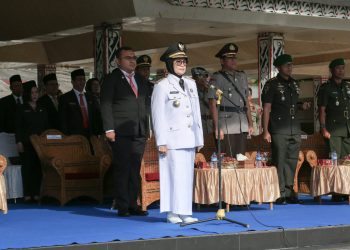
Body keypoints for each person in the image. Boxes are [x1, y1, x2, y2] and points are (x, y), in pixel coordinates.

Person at [152, 42, 204, 224]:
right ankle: (172, 212)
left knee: (186, 176)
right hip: (172, 139)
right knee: (172, 175)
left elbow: (196, 112)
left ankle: (185, 212)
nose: (182, 65)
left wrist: (199, 137)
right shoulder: (162, 86)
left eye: (184, 61)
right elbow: (158, 116)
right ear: (169, 64)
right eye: (178, 62)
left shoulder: (191, 84)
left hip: (189, 138)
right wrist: (161, 141)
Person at [100, 46, 149, 217]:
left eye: (134, 57)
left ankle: (132, 204)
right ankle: (122, 206)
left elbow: (147, 104)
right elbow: (105, 104)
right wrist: (109, 128)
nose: (132, 60)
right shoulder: (111, 79)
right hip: (120, 131)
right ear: (118, 61)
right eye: (128, 57)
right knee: (122, 168)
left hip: (139, 130)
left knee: (135, 168)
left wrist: (148, 128)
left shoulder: (141, 80)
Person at [262, 54, 310, 204]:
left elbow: (293, 105)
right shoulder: (272, 84)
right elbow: (267, 108)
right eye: (286, 65)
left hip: (294, 128)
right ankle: (280, 192)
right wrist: (265, 130)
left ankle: (289, 190)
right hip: (278, 128)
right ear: (278, 67)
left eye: (291, 65)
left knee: (292, 160)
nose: (290, 68)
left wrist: (302, 106)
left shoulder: (295, 84)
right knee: (280, 160)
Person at [208, 43, 253, 158]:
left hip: (242, 124)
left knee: (240, 159)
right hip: (226, 125)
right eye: (230, 58)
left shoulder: (242, 76)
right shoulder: (217, 78)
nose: (234, 61)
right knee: (227, 161)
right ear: (222, 61)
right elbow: (213, 104)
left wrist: (250, 123)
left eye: (235, 58)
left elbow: (246, 101)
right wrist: (217, 127)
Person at [318, 58, 350, 202]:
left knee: (347, 161)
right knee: (335, 162)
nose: (341, 71)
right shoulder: (326, 88)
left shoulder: (347, 86)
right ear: (331, 70)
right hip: (333, 130)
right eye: (338, 68)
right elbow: (322, 110)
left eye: (343, 68)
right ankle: (336, 192)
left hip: (347, 129)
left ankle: (345, 190)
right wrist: (323, 128)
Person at [16, 80, 48, 202]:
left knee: (37, 168)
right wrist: (18, 141)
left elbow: (46, 126)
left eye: (36, 92)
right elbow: (18, 126)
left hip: (40, 144)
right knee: (27, 168)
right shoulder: (21, 108)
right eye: (32, 92)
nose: (34, 95)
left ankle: (36, 193)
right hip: (26, 143)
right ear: (27, 94)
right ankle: (27, 193)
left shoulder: (42, 108)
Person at [58, 69, 102, 137]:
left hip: (91, 135)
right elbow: (63, 120)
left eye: (83, 79)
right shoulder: (65, 98)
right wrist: (66, 136)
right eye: (79, 79)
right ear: (73, 82)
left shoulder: (91, 98)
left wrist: (99, 133)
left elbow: (97, 116)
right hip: (74, 136)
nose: (82, 82)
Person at [136, 55, 155, 138]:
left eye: (148, 69)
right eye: (143, 69)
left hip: (152, 122)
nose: (146, 72)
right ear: (136, 70)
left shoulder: (152, 86)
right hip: (138, 124)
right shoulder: (132, 86)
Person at [191, 67, 213, 134]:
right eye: (200, 76)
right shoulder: (191, 92)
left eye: (206, 76)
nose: (204, 78)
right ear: (194, 78)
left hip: (211, 124)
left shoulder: (211, 90)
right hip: (199, 125)